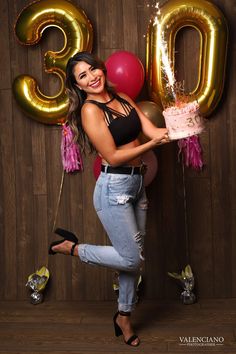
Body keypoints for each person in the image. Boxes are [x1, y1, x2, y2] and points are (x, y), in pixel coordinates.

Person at [49, 51, 169, 347]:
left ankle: (124, 317)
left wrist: (180, 124)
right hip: (113, 188)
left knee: (131, 263)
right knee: (131, 257)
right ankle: (73, 248)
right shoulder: (89, 111)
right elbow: (113, 155)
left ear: (101, 68)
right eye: (82, 76)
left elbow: (152, 130)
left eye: (93, 69)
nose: (92, 77)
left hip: (138, 183)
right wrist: (152, 143)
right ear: (77, 85)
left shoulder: (123, 97)